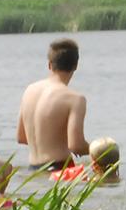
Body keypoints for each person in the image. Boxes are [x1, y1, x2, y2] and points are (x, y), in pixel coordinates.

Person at [16, 38, 90, 169]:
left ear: (50, 64)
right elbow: (76, 145)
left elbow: (21, 137)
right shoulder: (75, 99)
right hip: (60, 170)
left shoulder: (29, 91)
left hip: (33, 170)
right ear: (75, 65)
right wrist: (97, 149)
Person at [49, 136, 121, 184]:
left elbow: (52, 178)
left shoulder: (87, 181)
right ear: (118, 162)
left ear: (94, 165)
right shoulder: (121, 181)